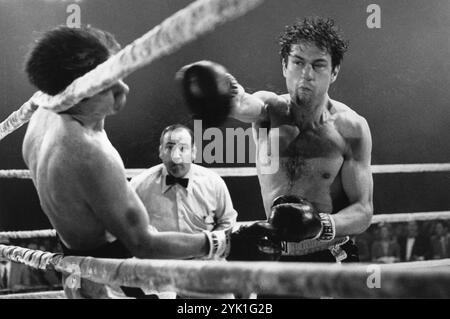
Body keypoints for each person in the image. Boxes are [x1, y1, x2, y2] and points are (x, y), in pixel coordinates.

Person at [22, 26, 281, 298]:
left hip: (78, 269)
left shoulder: (44, 111)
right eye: (109, 82)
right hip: (107, 279)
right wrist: (223, 242)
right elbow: (144, 244)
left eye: (120, 73)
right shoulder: (89, 154)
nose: (124, 87)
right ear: (77, 91)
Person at [178, 17, 373, 263]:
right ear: (284, 66)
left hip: (332, 254)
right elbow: (242, 104)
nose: (306, 74)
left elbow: (363, 211)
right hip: (276, 255)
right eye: (298, 62)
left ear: (334, 72)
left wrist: (321, 224)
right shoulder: (269, 110)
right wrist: (221, 92)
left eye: (318, 65)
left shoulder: (351, 128)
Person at [131, 124, 237, 236]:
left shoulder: (214, 183)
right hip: (157, 253)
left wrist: (209, 246)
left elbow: (227, 221)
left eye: (183, 148)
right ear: (161, 151)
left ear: (193, 152)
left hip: (204, 253)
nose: (176, 157)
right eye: (170, 147)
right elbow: (127, 223)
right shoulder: (139, 185)